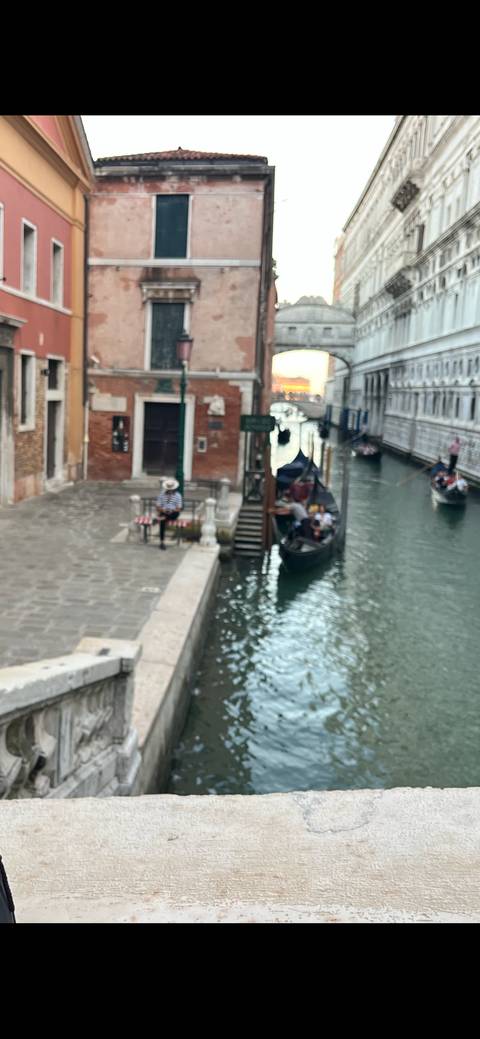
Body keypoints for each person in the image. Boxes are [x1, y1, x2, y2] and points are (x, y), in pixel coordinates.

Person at [155, 477, 183, 550]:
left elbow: (179, 508)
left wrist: (172, 510)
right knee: (162, 523)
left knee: (166, 517)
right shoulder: (161, 495)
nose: (170, 490)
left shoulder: (178, 495)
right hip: (163, 512)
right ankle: (162, 542)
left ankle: (159, 518)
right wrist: (163, 510)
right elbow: (158, 507)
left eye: (171, 488)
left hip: (173, 513)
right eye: (168, 488)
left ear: (174, 488)